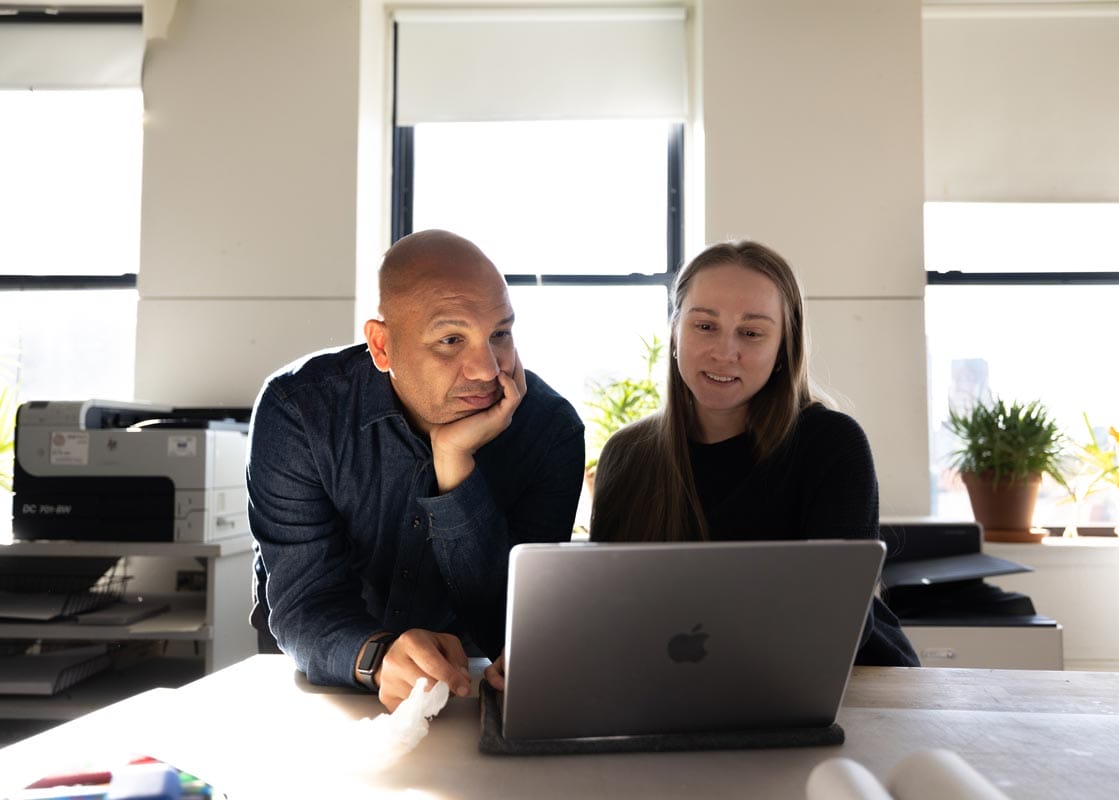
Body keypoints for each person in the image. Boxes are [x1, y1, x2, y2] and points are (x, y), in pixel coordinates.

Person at [246, 230, 585, 710]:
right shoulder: (301, 410)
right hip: (325, 681)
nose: (488, 369)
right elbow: (304, 601)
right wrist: (381, 658)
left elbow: (509, 623)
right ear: (382, 346)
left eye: (500, 334)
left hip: (467, 686)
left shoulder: (550, 431)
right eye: (451, 340)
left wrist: (455, 467)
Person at [589, 240, 918, 667]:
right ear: (674, 332)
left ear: (784, 347)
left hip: (842, 685)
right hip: (679, 684)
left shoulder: (831, 443)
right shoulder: (627, 455)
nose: (725, 352)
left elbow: (837, 624)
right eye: (705, 326)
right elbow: (605, 613)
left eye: (751, 332)